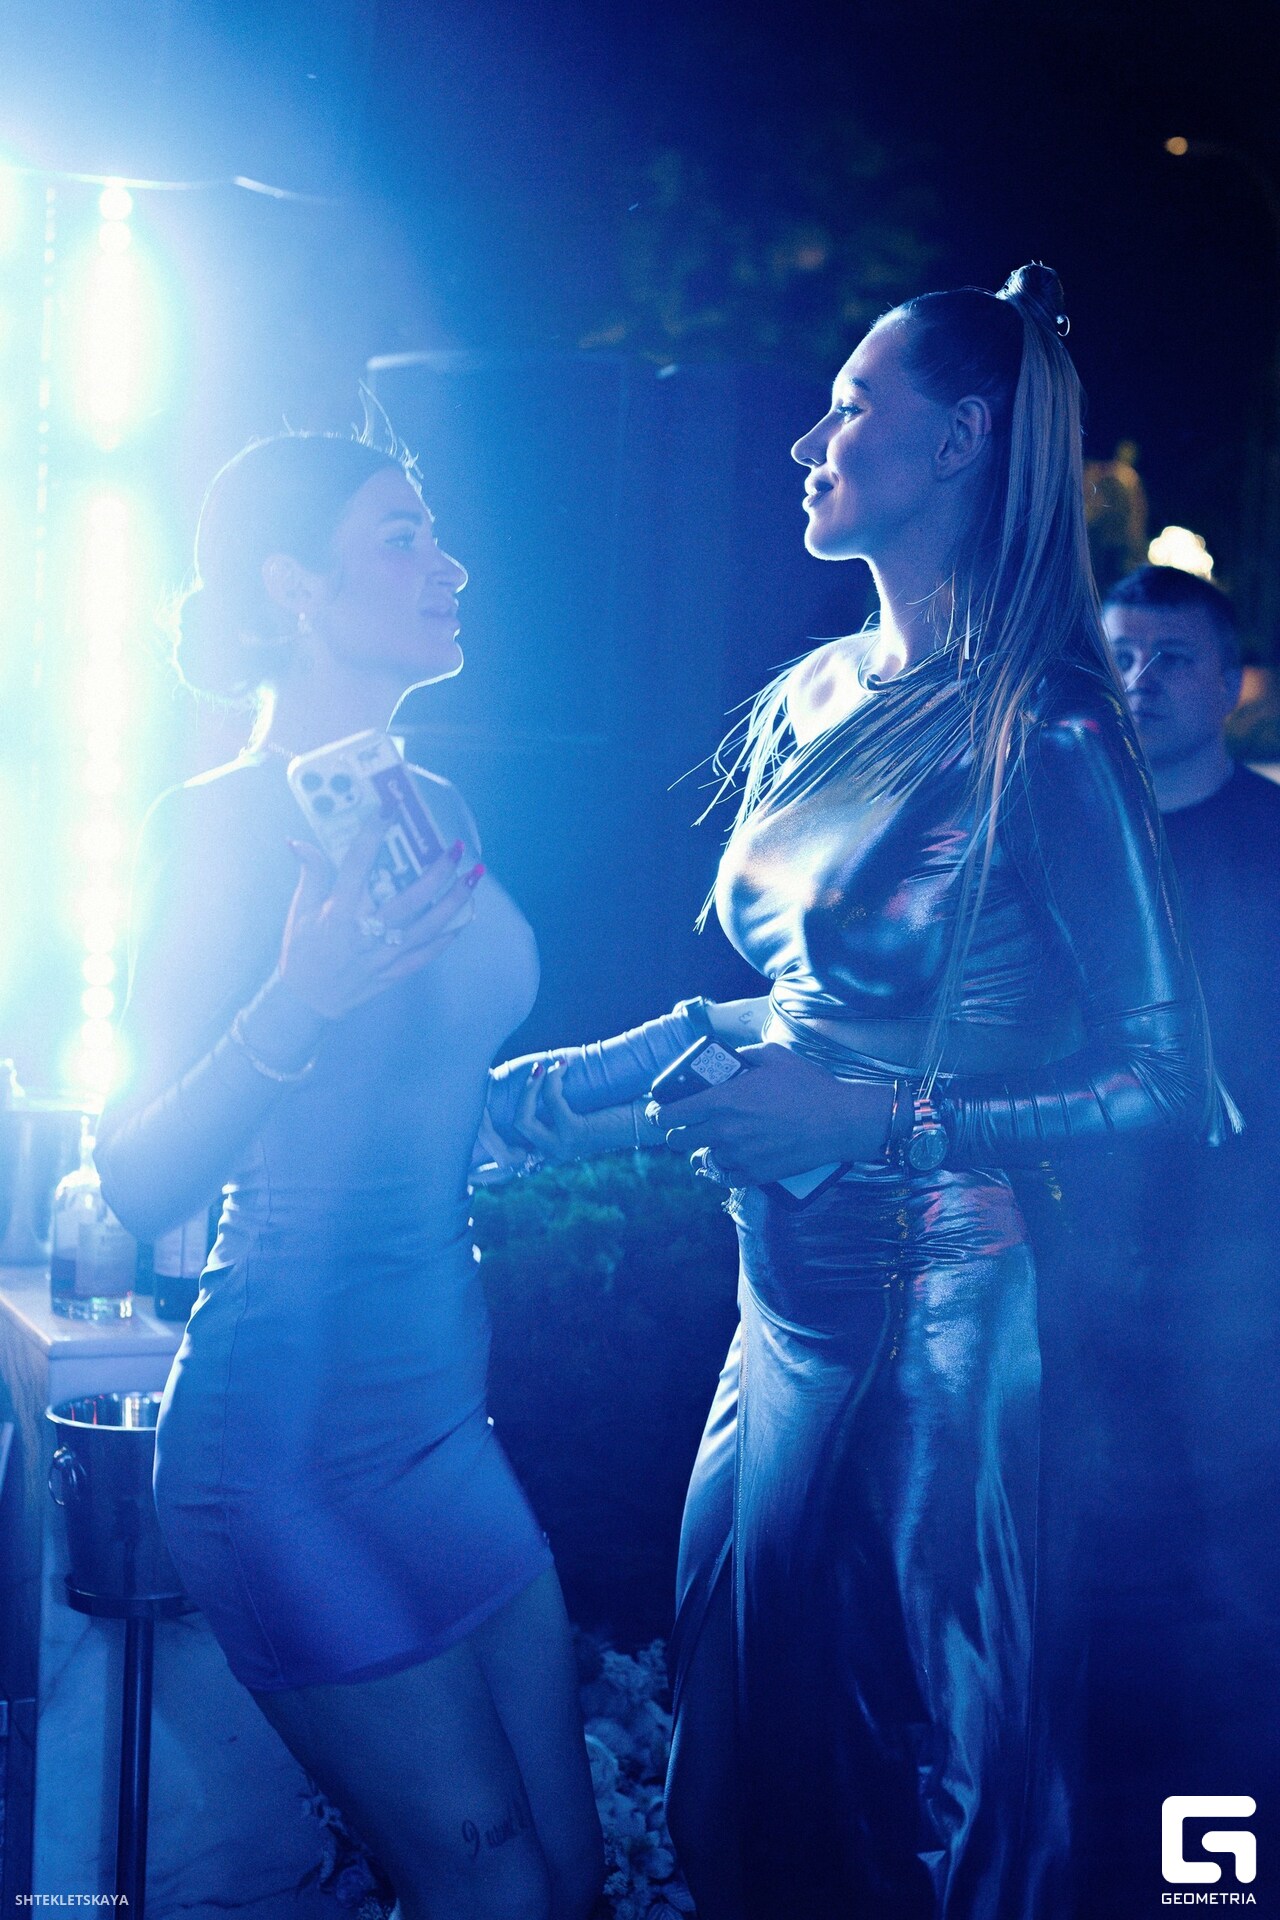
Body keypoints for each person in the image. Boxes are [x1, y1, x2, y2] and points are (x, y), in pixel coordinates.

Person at [484, 266, 1219, 1920]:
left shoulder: (1051, 727)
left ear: (958, 441)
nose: (808, 442)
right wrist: (542, 1095)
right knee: (738, 1756)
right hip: (780, 1301)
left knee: (913, 1782)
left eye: (849, 408)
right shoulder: (816, 691)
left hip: (941, 1310)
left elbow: (1173, 1083)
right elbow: (812, 1004)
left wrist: (876, 1123)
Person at [94, 431, 603, 1920]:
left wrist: (670, 1069)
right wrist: (298, 995)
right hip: (284, 1452)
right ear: (292, 586)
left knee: (571, 1884)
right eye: (402, 537)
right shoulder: (210, 824)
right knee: (491, 1892)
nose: (451, 567)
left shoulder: (439, 808)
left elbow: (434, 1101)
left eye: (436, 534)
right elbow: (136, 1176)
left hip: (443, 1429)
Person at [1075, 564, 1280, 1907]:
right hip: (1076, 1271)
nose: (1142, 681)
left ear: (1232, 685)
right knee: (1084, 1594)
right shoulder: (1063, 835)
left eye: (1173, 659)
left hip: (1245, 1285)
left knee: (1233, 1600)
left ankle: (1211, 1886)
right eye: (1124, 655)